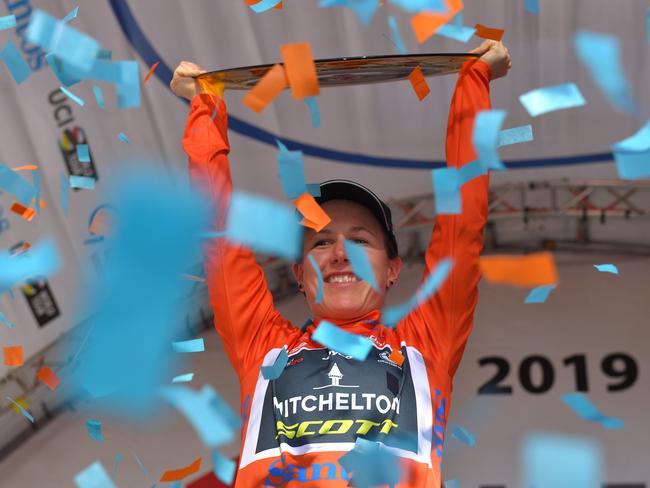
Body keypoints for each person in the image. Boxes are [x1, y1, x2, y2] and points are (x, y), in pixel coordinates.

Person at [172, 39, 511, 487]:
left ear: (392, 269)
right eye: (321, 243)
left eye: (360, 239)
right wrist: (205, 109)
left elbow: (461, 226)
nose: (339, 253)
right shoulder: (263, 347)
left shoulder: (425, 345)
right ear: (298, 276)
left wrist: (474, 83)